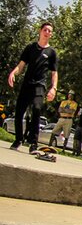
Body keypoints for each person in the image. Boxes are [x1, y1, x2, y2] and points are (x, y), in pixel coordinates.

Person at [7, 22, 58, 151]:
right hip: (26, 85)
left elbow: (54, 73)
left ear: (51, 34)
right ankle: (18, 140)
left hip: (39, 86)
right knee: (19, 113)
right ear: (40, 31)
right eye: (45, 30)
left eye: (49, 31)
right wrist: (13, 73)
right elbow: (21, 65)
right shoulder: (30, 48)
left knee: (36, 109)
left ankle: (33, 143)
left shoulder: (52, 53)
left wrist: (53, 88)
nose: (47, 32)